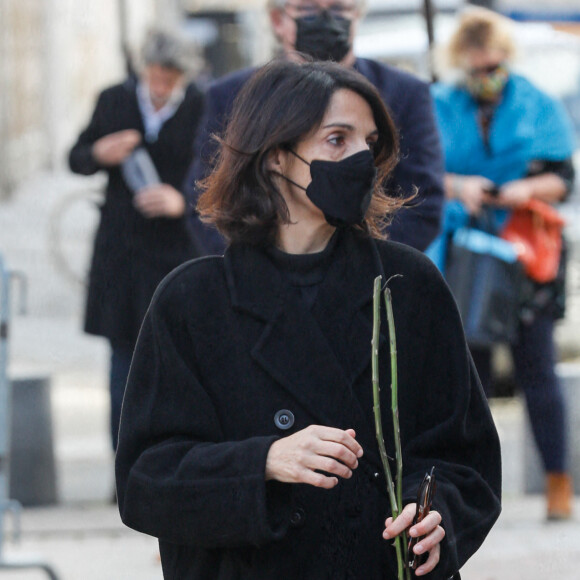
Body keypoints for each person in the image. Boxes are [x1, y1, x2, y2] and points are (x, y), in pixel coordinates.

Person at [115, 59, 501, 580]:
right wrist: (265, 461)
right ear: (276, 155)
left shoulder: (409, 285)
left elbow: (465, 456)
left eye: (369, 142)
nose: (360, 159)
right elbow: (146, 480)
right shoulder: (191, 300)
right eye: (337, 140)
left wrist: (436, 515)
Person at [428, 7, 576, 519]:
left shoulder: (536, 101)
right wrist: (460, 185)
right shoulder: (441, 103)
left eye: (493, 67)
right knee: (471, 377)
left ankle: (559, 481)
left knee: (537, 370)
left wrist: (522, 190)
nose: (485, 78)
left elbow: (564, 176)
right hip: (466, 253)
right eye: (475, 69)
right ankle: (472, 487)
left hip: (526, 252)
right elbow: (419, 170)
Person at [184, 0, 445, 256]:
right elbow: (207, 199)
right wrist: (257, 271)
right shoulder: (232, 94)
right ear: (278, 19)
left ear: (357, 14)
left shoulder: (405, 93)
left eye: (338, 8)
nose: (325, 20)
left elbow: (423, 202)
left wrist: (363, 267)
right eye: (308, 8)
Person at [68, 29, 204, 452]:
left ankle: (175, 456)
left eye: (170, 79)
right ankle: (123, 463)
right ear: (144, 69)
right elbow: (76, 157)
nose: (161, 87)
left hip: (178, 254)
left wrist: (182, 201)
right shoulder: (114, 100)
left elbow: (222, 177)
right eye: (155, 76)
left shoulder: (202, 106)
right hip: (122, 255)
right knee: (123, 363)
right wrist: (100, 153)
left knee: (181, 361)